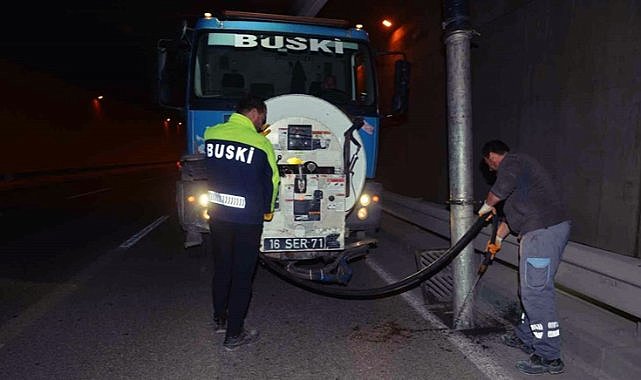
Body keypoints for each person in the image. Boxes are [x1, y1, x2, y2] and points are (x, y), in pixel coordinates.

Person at [478, 140, 571, 375]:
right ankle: (526, 336)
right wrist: (496, 241)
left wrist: (486, 205)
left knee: (536, 292)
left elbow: (500, 189)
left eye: (489, 165)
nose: (491, 170)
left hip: (541, 232)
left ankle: (548, 356)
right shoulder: (523, 180)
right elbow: (511, 220)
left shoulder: (513, 162)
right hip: (541, 230)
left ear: (491, 156)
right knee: (529, 290)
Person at [203, 95, 279, 351]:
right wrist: (267, 211)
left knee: (222, 267)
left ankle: (219, 318)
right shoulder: (260, 143)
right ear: (256, 114)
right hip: (246, 220)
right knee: (243, 274)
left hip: (218, 213)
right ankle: (234, 334)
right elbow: (272, 181)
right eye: (263, 118)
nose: (263, 122)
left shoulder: (211, 134)